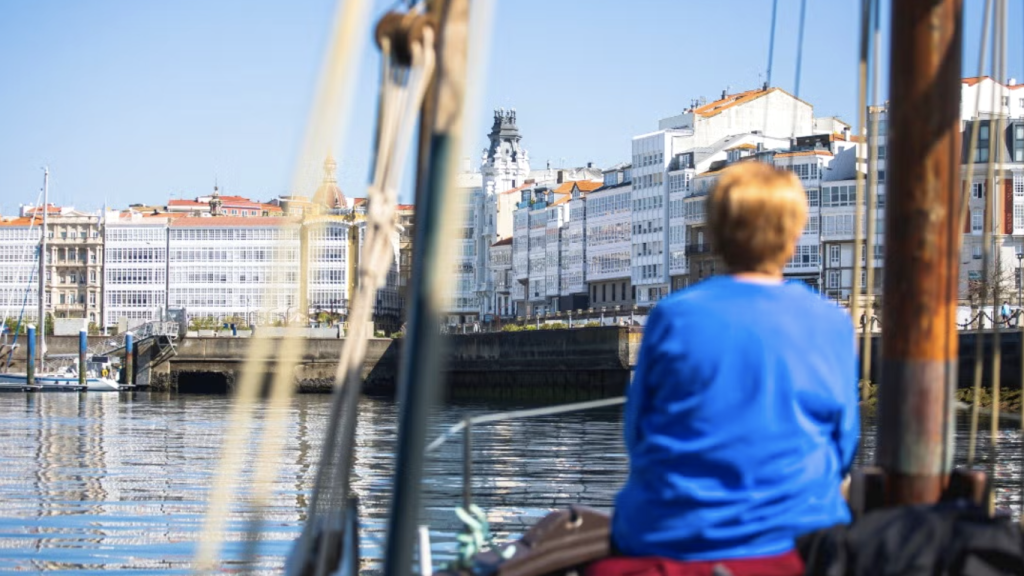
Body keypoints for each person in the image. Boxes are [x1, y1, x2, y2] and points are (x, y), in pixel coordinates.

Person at [596, 162, 859, 576]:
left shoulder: (672, 316)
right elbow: (844, 444)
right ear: (793, 236)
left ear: (715, 234)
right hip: (799, 537)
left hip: (672, 535)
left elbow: (638, 433)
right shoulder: (831, 322)